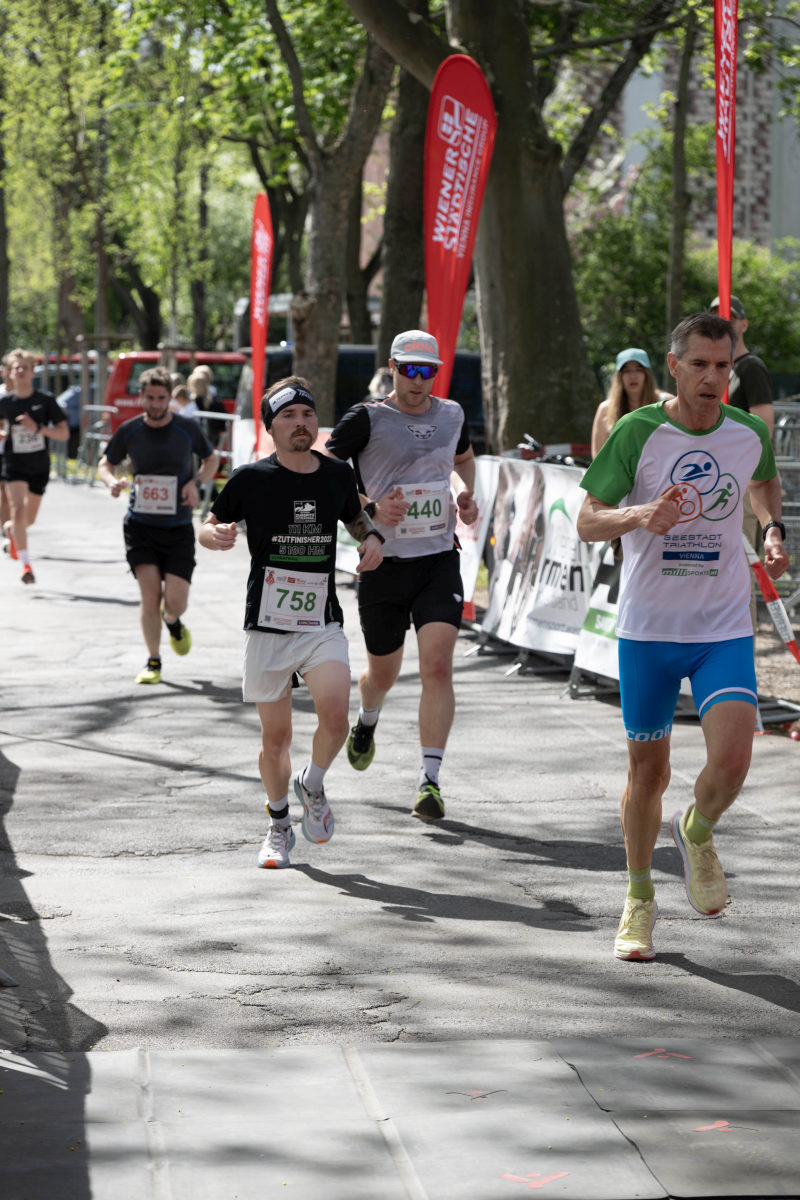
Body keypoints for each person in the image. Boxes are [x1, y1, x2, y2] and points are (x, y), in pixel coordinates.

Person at [576, 312, 789, 962]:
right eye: (699, 364)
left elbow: (763, 482)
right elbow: (587, 520)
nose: (712, 378)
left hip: (722, 625)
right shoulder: (638, 430)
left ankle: (696, 829)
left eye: (723, 366)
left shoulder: (748, 432)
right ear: (673, 366)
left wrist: (771, 528)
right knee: (649, 773)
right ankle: (639, 896)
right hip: (649, 630)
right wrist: (640, 514)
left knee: (733, 760)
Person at [198, 376, 384, 870]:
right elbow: (208, 523)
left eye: (307, 415)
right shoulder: (250, 478)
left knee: (336, 718)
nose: (301, 424)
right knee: (275, 739)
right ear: (271, 428)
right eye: (288, 417)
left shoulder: (337, 474)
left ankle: (312, 783)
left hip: (321, 621)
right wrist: (212, 536)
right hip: (267, 623)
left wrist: (372, 539)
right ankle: (279, 823)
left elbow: (357, 518)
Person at [326, 329, 479, 822]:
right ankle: (367, 718)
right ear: (392, 367)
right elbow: (324, 471)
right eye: (410, 369)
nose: (419, 380)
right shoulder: (367, 417)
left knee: (437, 667)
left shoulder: (451, 414)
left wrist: (464, 493)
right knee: (383, 675)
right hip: (384, 564)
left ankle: (429, 781)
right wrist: (369, 507)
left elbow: (462, 459)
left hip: (438, 559)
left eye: (427, 371)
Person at [97, 366, 219, 685]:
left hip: (178, 527)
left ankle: (173, 621)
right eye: (149, 397)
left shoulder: (186, 428)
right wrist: (111, 482)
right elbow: (105, 464)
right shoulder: (130, 430)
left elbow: (212, 459)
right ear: (141, 396)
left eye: (161, 398)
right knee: (149, 595)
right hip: (140, 526)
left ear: (169, 398)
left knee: (175, 602)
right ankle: (153, 661)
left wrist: (195, 483)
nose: (155, 404)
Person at [709, 296, 774, 628]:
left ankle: (741, 651)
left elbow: (763, 428)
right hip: (714, 486)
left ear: (744, 324)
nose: (723, 321)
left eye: (730, 316)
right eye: (716, 316)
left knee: (740, 572)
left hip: (742, 488)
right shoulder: (717, 369)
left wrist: (745, 479)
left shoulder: (750, 368)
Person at [0, 347, 69, 584]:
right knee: (18, 510)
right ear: (9, 373)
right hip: (14, 464)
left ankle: (12, 532)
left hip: (39, 465)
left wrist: (37, 428)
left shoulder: (45, 401)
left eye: (25, 367)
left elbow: (64, 434)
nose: (20, 371)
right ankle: (26, 566)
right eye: (16, 368)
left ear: (32, 372)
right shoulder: (4, 402)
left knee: (27, 520)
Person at [591, 348, 670, 458]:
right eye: (627, 371)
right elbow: (598, 456)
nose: (633, 376)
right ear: (619, 376)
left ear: (647, 374)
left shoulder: (666, 402)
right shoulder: (605, 409)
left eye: (638, 370)